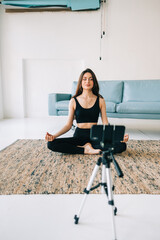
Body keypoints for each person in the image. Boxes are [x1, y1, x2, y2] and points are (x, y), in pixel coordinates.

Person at [45, 68, 129, 155]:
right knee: (51, 144)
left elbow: (105, 123)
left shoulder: (100, 100)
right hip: (79, 136)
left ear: (94, 82)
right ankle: (85, 150)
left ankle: (85, 147)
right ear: (81, 82)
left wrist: (117, 137)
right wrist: (54, 136)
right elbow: (68, 125)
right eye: (84, 79)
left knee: (122, 145)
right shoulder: (73, 101)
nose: (87, 81)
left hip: (95, 136)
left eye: (91, 79)